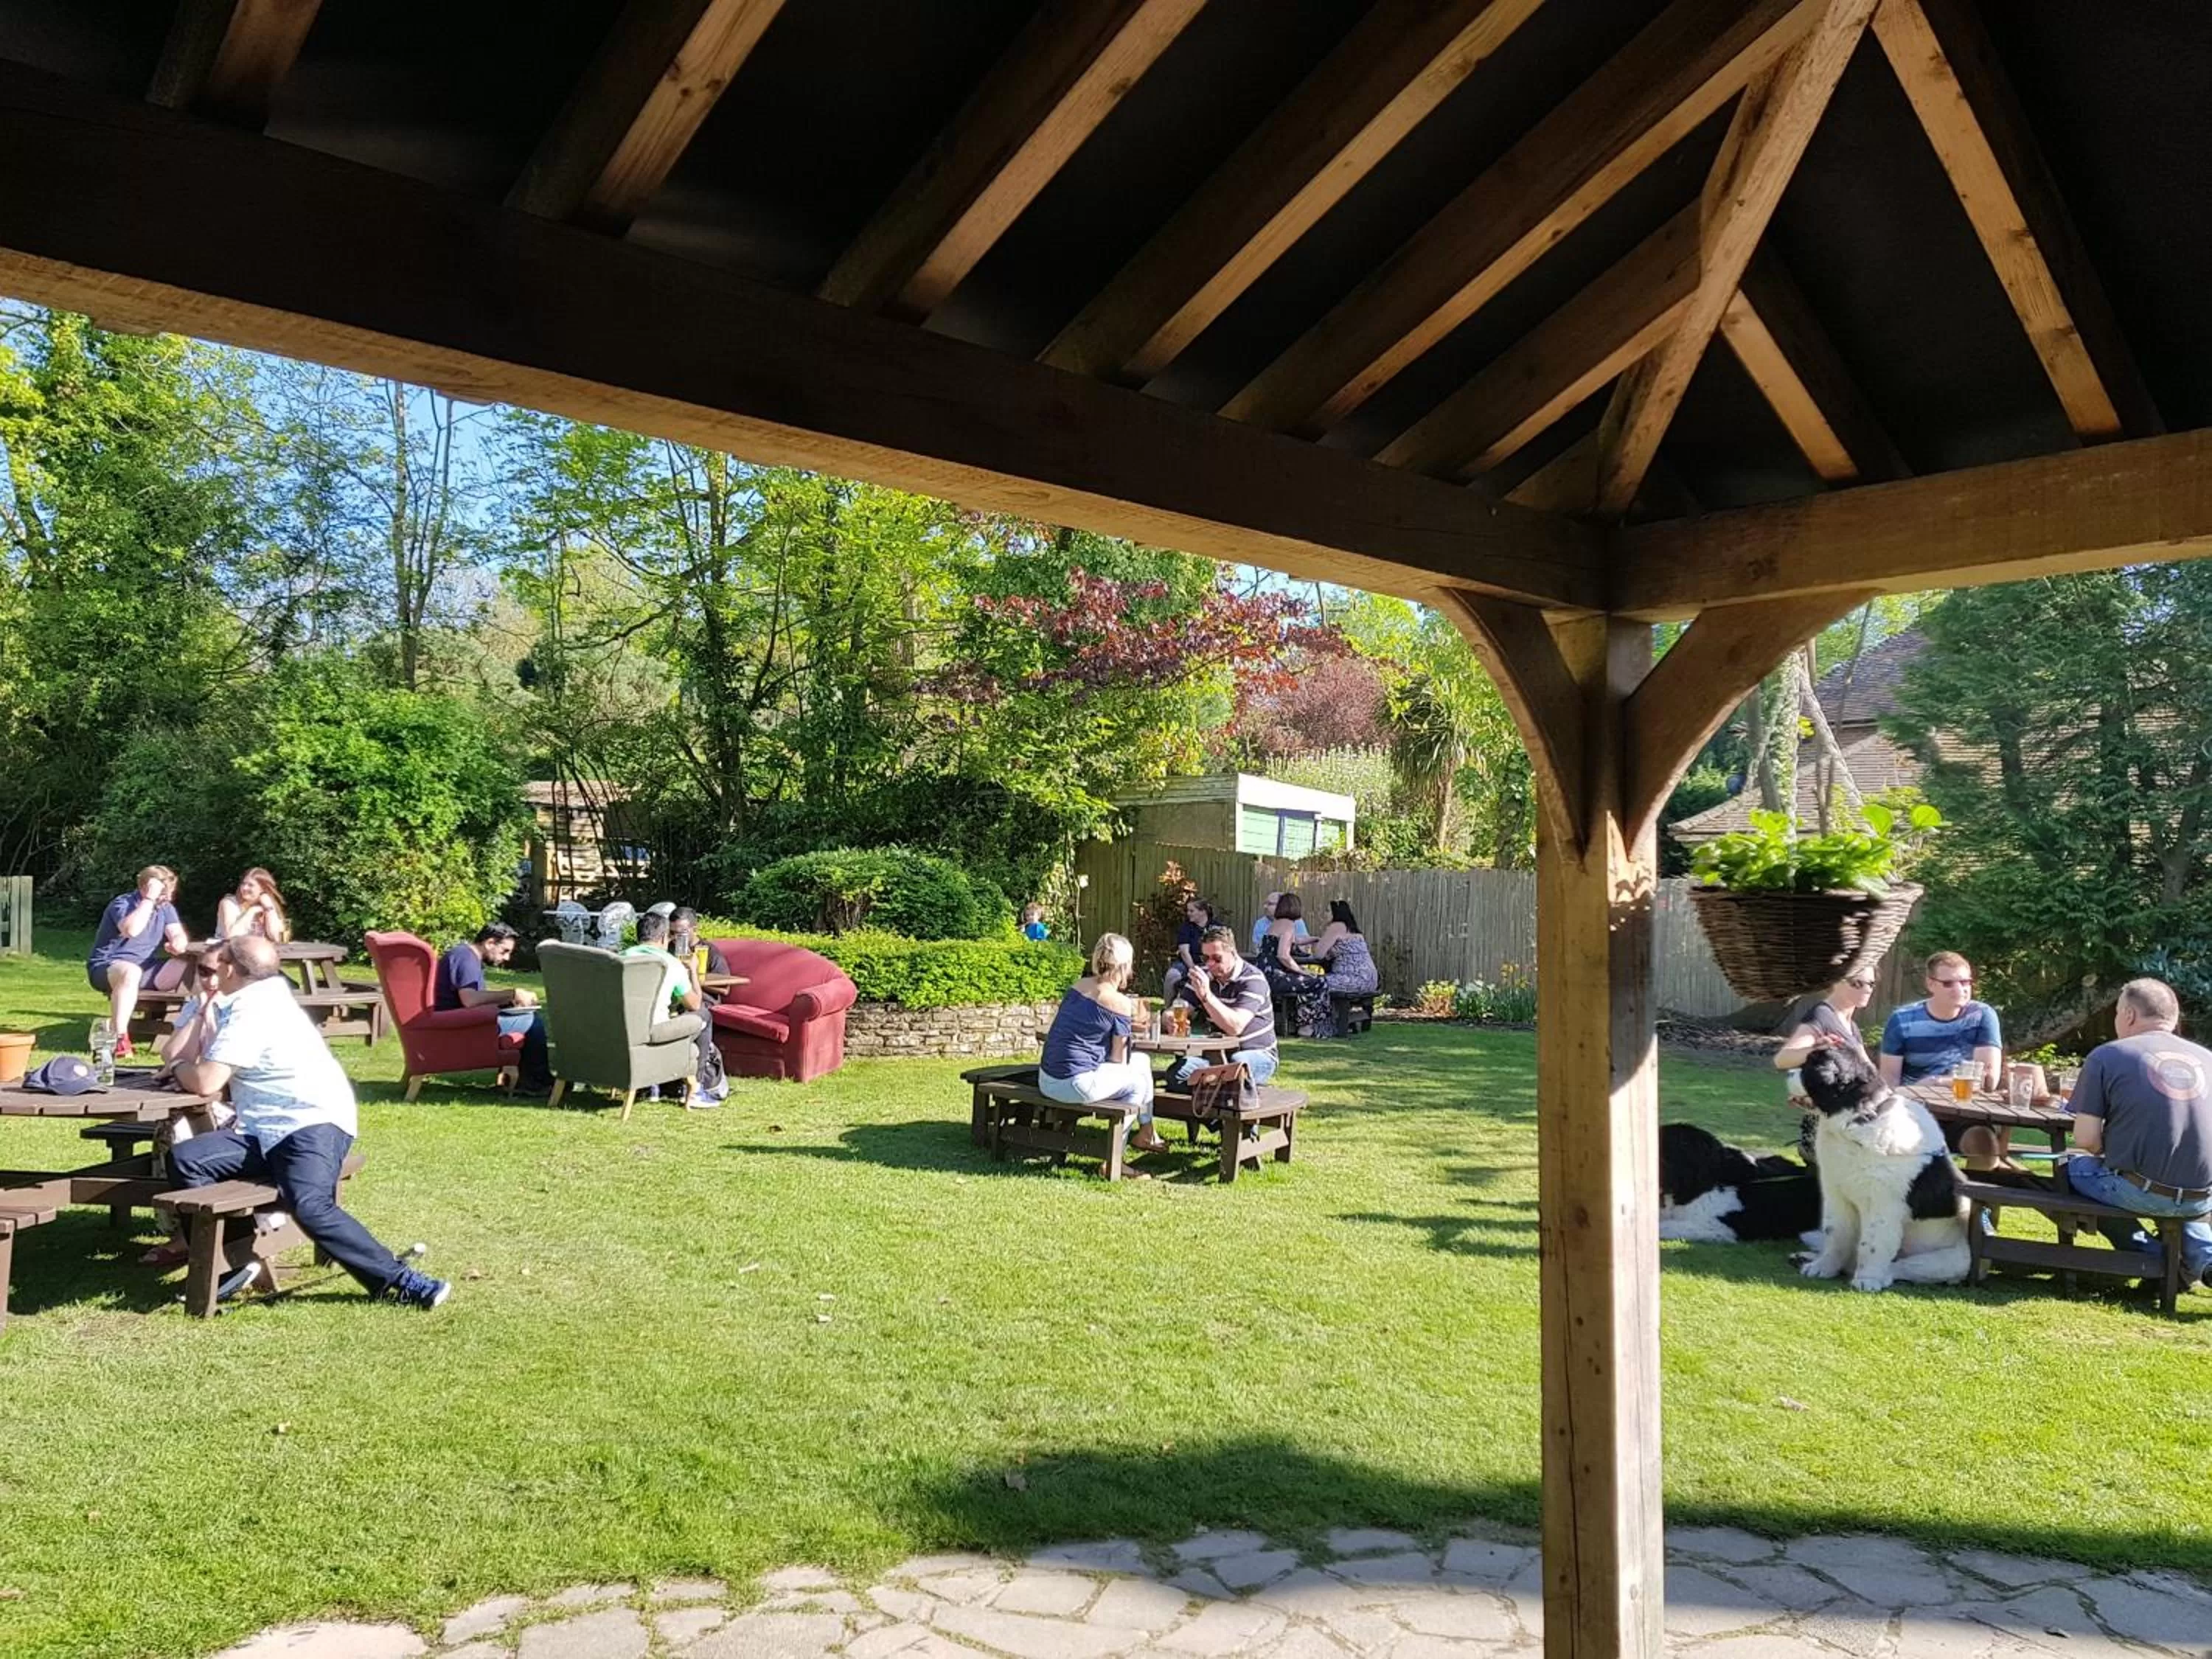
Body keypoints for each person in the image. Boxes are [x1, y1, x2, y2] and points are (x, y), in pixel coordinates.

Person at [171, 936, 450, 1308]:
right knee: (187, 1159)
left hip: (310, 1123)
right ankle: (234, 1263)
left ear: (230, 969)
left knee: (309, 1204)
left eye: (215, 964)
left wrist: (177, 1069)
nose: (210, 972)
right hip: (263, 1130)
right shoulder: (259, 995)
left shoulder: (252, 1010)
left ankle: (404, 1283)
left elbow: (206, 1081)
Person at [2053, 978, 2212, 1287]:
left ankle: (2153, 1257)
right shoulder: (2208, 1060)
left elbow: (2086, 1140)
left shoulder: (2107, 1055)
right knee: (2181, 1197)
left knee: (2068, 1170)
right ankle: (2206, 1259)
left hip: (2139, 1189)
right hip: (2202, 1196)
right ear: (2174, 1018)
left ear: (2127, 1015)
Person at [1039, 932, 1166, 1154]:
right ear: (1125, 965)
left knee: (1142, 1061)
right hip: (1074, 1084)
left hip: (1047, 1078)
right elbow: (1118, 1059)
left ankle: (1147, 1132)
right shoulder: (1119, 1002)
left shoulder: (1078, 986)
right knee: (1138, 1083)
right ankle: (1115, 1158)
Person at [1879, 950, 2006, 1166]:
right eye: (1949, 983)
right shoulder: (1902, 1020)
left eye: (1965, 982)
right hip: (1915, 1111)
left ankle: (1978, 1200)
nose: (1960, 989)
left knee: (1984, 1145)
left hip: (1966, 1111)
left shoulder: (1982, 1015)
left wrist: (1937, 1083)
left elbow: (1987, 1079)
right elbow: (1889, 1081)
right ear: (1931, 984)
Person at [87, 864, 192, 1060]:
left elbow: (178, 934)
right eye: (163, 893)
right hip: (107, 967)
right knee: (131, 972)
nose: (168, 898)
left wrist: (177, 943)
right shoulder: (123, 903)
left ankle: (194, 1036)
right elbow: (131, 930)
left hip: (146, 968)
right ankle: (120, 1038)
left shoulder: (165, 908)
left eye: (170, 893)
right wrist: (150, 899)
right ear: (145, 888)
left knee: (192, 966)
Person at [434, 922, 553, 1091]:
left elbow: (471, 998)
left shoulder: (464, 956)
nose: (506, 958)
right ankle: (537, 1083)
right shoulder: (466, 959)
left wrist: (508, 1002)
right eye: (504, 951)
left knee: (524, 1017)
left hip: (456, 1020)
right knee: (532, 1023)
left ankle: (526, 1080)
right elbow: (470, 1000)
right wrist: (513, 994)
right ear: (490, 943)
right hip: (457, 1025)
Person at [622, 911, 722, 1104]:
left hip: (622, 1031)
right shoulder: (671, 964)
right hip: (653, 1033)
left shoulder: (619, 959)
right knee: (704, 1015)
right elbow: (694, 1004)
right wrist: (692, 969)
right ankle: (696, 1089)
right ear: (663, 937)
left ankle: (652, 1086)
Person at [1166, 925, 1279, 1091]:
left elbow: (1235, 1027)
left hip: (1258, 1054)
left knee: (1236, 1066)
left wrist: (1206, 996)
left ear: (1232, 953)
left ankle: (1215, 1103)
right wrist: (1169, 1019)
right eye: (1205, 958)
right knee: (1178, 1074)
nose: (1210, 964)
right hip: (1216, 1054)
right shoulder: (1204, 976)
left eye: (1217, 958)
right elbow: (1179, 1008)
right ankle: (1212, 1107)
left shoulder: (1253, 980)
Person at [1775, 967, 1877, 1099]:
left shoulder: (1852, 1026)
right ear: (1836, 982)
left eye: (1871, 984)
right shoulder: (1822, 1015)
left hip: (1843, 1112)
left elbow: (1868, 1071)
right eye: (1857, 983)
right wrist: (1817, 1050)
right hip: (1827, 1116)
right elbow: (1782, 1059)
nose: (1867, 989)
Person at [1295, 900, 1380, 1038]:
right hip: (1369, 979)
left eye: (1328, 911)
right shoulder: (1351, 929)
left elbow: (1318, 955)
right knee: (1321, 982)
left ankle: (1308, 1027)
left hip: (1353, 978)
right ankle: (1331, 1022)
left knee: (1311, 984)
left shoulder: (1337, 926)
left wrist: (1316, 940)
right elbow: (1329, 955)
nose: (1325, 914)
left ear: (1336, 913)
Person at [1257, 891, 1329, 1038]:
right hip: (1276, 977)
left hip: (1264, 974)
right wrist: (1301, 971)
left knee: (1308, 982)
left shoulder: (1276, 924)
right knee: (1319, 982)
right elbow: (1283, 955)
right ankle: (1307, 1026)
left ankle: (1298, 1021)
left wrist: (1313, 939)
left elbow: (1293, 940)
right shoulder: (1289, 924)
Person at [668, 908, 731, 1002]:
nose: (676, 937)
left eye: (682, 933)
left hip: (704, 1001)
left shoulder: (708, 950)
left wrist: (691, 979)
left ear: (695, 929)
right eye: (672, 933)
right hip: (674, 1002)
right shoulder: (668, 947)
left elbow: (725, 989)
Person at [217, 867, 291, 943]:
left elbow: (278, 938)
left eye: (251, 885)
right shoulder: (229, 903)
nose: (245, 888)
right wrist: (252, 911)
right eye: (243, 884)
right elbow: (230, 936)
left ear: (263, 888)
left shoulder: (267, 904)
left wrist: (269, 908)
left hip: (259, 952)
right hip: (229, 952)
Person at [1161, 897, 1214, 1004]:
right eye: (1187, 911)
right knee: (1172, 975)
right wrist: (1194, 970)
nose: (1188, 913)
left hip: (1211, 963)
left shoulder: (1217, 928)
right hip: (1187, 963)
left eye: (1192, 911)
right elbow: (1184, 953)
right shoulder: (1186, 928)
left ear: (1203, 911)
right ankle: (1169, 1008)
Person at [1247, 891, 1310, 958]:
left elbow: (1303, 947)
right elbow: (1255, 948)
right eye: (1265, 903)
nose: (1265, 907)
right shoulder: (1260, 923)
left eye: (1269, 904)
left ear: (1281, 905)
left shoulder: (1297, 922)